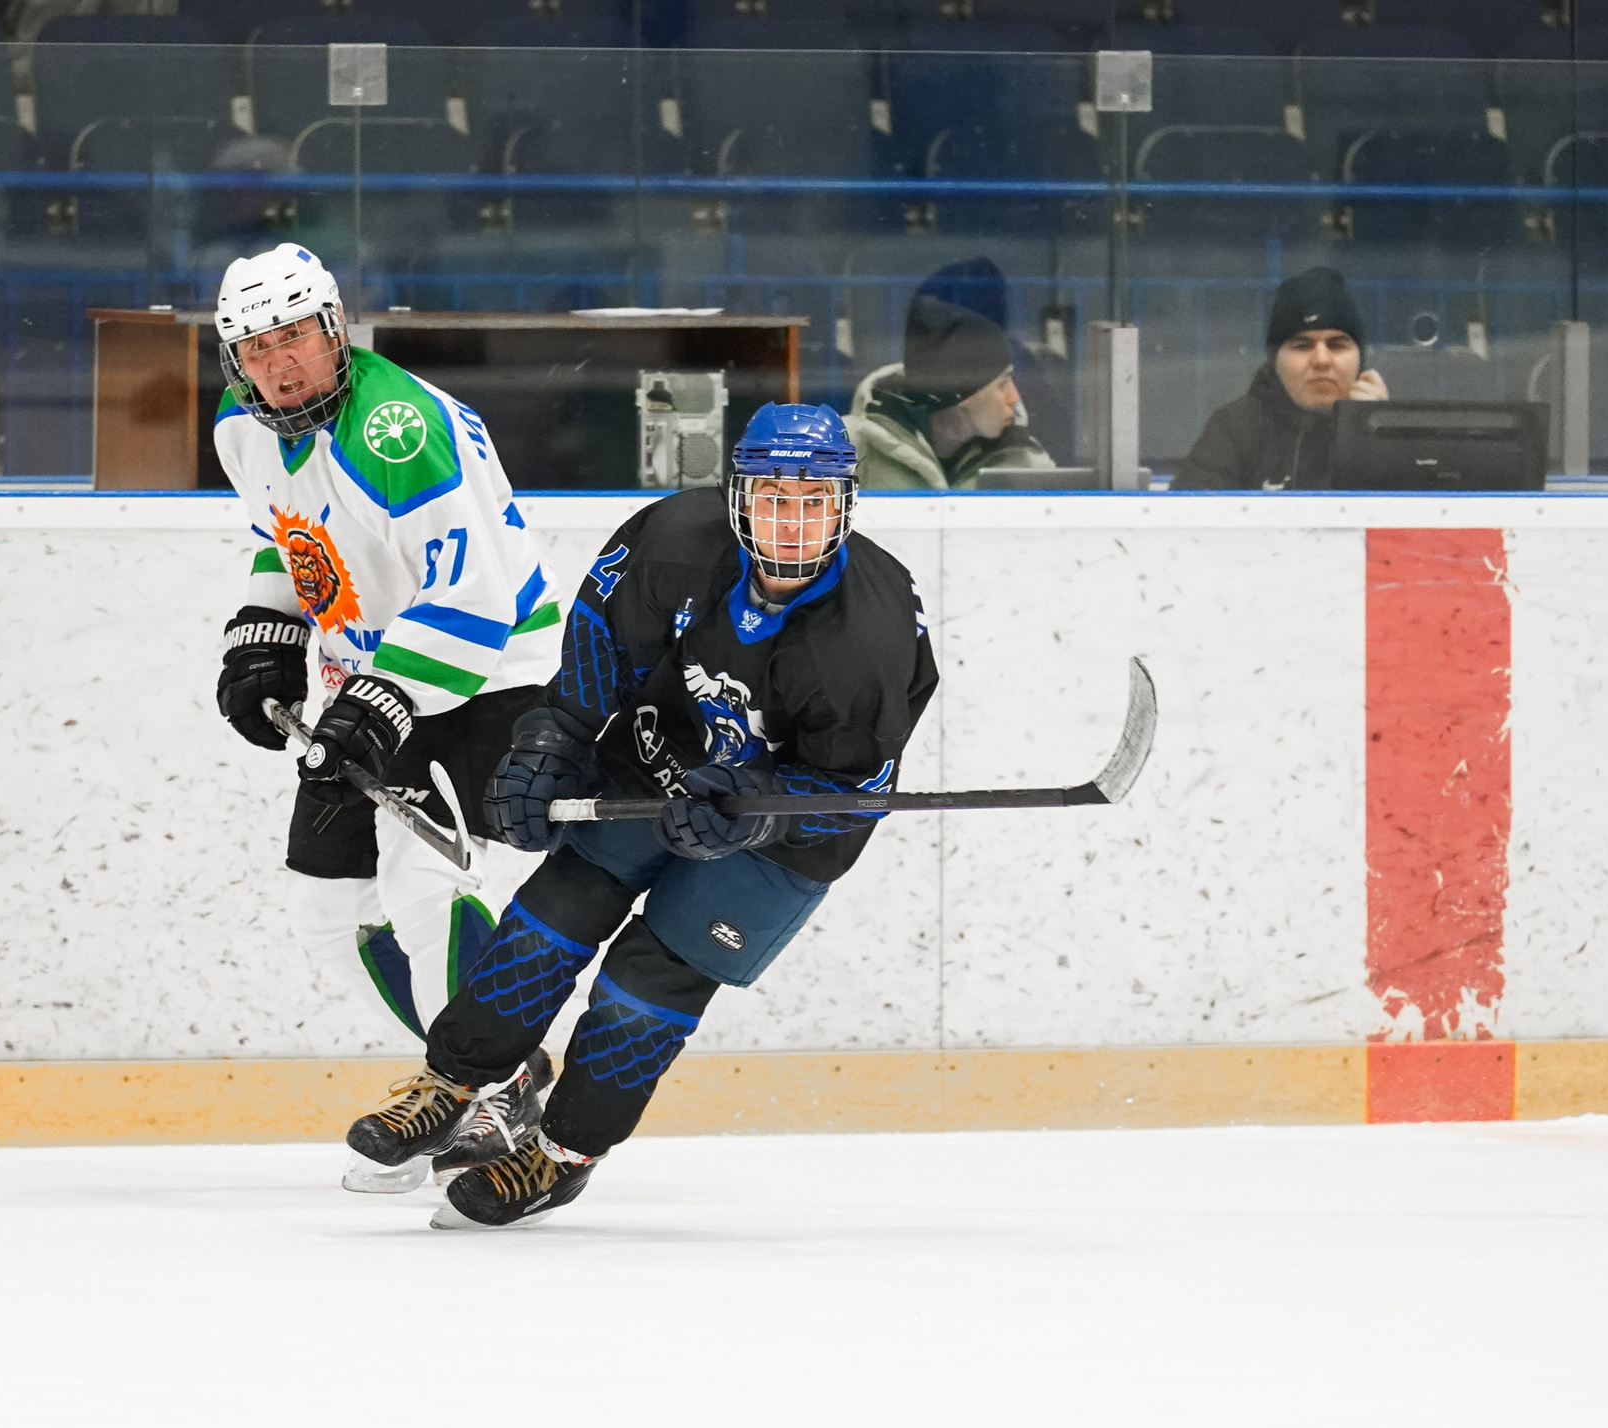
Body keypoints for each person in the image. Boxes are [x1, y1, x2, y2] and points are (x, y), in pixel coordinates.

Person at [338, 404, 938, 1230]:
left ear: (846, 504)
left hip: (778, 831)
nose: (792, 521)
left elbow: (851, 785)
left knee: (646, 983)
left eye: (814, 500)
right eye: (773, 497)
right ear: (737, 497)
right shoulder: (673, 541)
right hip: (653, 762)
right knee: (555, 912)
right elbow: (598, 648)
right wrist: (553, 740)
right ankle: (451, 1083)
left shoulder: (867, 633)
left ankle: (561, 1155)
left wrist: (758, 815)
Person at [208, 243, 565, 1191]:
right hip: (374, 680)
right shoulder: (243, 430)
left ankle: (479, 1097)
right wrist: (267, 631)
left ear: (334, 331)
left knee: (422, 880)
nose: (279, 362)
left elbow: (477, 599)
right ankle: (506, 1069)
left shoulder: (396, 430)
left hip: (490, 673)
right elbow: (287, 538)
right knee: (329, 911)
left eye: (294, 336)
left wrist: (383, 698)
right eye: (256, 347)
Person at [1173, 266, 1389, 491]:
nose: (1322, 360)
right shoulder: (1235, 428)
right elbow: (1189, 508)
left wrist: (1378, 438)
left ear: (1361, 359)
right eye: (1302, 346)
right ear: (1274, 361)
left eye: (1336, 345)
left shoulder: (1387, 429)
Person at [844, 293, 1055, 490]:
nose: (1014, 398)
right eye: (1002, 384)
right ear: (960, 393)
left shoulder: (1026, 462)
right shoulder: (847, 448)